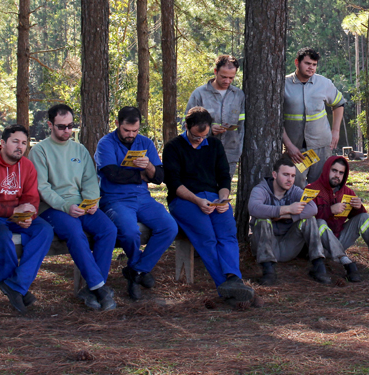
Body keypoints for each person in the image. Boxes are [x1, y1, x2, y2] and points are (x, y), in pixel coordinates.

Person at [29, 106, 118, 311]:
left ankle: (92, 288)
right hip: (53, 208)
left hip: (81, 205)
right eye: (61, 127)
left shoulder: (79, 149)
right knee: (75, 232)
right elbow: (42, 187)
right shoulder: (40, 151)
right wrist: (65, 206)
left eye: (70, 126)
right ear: (50, 125)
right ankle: (100, 288)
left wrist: (91, 201)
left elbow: (89, 180)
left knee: (108, 229)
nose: (67, 131)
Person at [163, 106, 253, 304]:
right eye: (196, 136)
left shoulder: (214, 145)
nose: (200, 140)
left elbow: (224, 177)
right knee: (207, 237)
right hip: (185, 200)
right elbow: (174, 184)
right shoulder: (173, 147)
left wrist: (223, 198)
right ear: (186, 126)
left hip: (213, 197)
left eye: (204, 136)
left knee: (228, 233)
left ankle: (234, 279)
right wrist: (197, 200)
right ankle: (226, 289)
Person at [95, 106, 177, 301]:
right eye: (126, 131)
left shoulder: (145, 142)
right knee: (131, 232)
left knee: (169, 227)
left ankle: (137, 271)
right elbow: (112, 174)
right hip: (115, 199)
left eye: (135, 131)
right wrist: (140, 174)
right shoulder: (106, 143)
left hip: (143, 198)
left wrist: (148, 166)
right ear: (117, 124)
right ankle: (137, 267)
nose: (131, 135)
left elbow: (158, 177)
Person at [0, 124, 54, 315]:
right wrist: (12, 212)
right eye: (15, 142)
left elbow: (32, 197)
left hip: (17, 216)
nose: (20, 146)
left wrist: (28, 216)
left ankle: (15, 285)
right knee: (2, 236)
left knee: (44, 230)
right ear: (2, 143)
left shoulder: (27, 166)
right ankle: (17, 288)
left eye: (24, 143)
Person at [248, 156, 331, 285]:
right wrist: (285, 208)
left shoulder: (295, 191)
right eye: (285, 175)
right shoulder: (261, 189)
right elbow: (253, 208)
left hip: (289, 244)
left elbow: (313, 209)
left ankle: (318, 266)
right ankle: (268, 271)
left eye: (292, 176)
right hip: (266, 245)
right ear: (274, 174)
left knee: (309, 219)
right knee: (262, 220)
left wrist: (287, 215)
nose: (290, 180)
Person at [308, 154, 369, 281]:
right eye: (334, 170)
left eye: (341, 173)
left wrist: (358, 208)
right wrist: (330, 210)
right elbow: (306, 220)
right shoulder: (311, 189)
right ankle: (346, 262)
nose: (337, 175)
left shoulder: (347, 192)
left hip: (340, 239)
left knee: (365, 217)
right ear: (326, 170)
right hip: (319, 246)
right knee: (319, 223)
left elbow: (358, 218)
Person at [282, 47, 347, 187]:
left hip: (321, 146)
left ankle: (318, 209)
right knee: (295, 185)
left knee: (320, 185)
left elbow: (339, 104)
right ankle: (297, 209)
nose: (311, 68)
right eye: (307, 63)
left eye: (314, 65)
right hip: (296, 149)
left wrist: (335, 132)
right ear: (296, 62)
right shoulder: (283, 84)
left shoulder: (324, 83)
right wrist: (288, 146)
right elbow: (275, 120)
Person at [186, 54, 245, 179]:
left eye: (231, 78)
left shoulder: (239, 95)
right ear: (215, 72)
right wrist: (208, 130)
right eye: (224, 77)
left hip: (230, 154)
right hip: (203, 153)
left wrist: (238, 150)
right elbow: (186, 126)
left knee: (224, 191)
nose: (227, 81)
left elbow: (242, 126)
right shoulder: (199, 94)